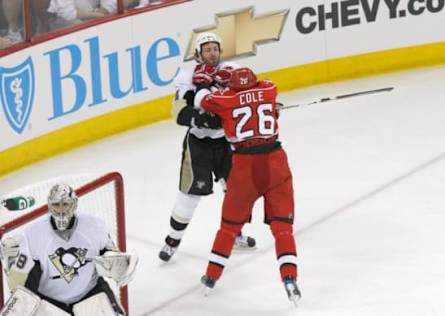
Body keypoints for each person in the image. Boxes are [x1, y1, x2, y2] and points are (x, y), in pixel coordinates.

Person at [195, 68, 301, 305]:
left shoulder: (226, 98)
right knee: (283, 228)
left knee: (229, 228)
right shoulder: (269, 89)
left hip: (245, 168)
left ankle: (211, 276)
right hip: (276, 163)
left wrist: (207, 83)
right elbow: (262, 89)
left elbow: (201, 100)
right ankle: (290, 279)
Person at [158, 32, 256, 262]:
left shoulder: (232, 70)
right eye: (207, 49)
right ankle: (172, 241)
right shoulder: (187, 77)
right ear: (198, 54)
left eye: (215, 48)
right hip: (199, 144)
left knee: (235, 191)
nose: (212, 53)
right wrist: (202, 119)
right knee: (189, 197)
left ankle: (235, 234)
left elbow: (246, 97)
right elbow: (179, 113)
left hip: (227, 142)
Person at [0, 184, 138, 315]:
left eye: (65, 204)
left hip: (90, 294)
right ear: (49, 204)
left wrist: (116, 261)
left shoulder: (94, 226)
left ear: (74, 203)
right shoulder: (34, 233)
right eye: (56, 204)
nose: (61, 210)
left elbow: (110, 253)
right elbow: (23, 278)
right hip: (50, 302)